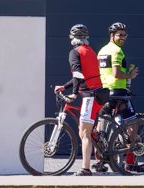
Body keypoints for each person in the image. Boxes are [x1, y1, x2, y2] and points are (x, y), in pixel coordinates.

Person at [95, 22, 144, 172]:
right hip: (118, 92)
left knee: (102, 126)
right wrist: (130, 75)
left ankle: (100, 161)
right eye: (120, 35)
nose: (123, 38)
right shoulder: (117, 51)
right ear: (112, 35)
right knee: (133, 123)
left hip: (104, 91)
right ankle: (130, 162)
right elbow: (116, 73)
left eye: (124, 35)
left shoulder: (102, 51)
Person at [54, 24, 103, 176]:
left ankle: (86, 169)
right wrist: (65, 87)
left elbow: (78, 75)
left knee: (84, 133)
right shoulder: (90, 51)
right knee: (90, 130)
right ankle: (101, 151)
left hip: (90, 96)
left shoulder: (74, 52)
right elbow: (84, 75)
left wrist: (73, 93)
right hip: (98, 93)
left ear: (72, 38)